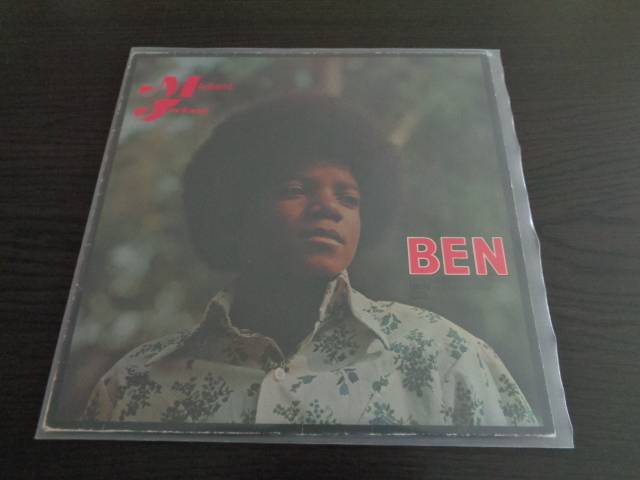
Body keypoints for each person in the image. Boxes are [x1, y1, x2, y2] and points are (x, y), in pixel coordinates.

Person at [84, 95, 539, 427]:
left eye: (349, 198)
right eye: (295, 189)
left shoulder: (445, 356)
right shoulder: (135, 384)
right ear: (235, 211)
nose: (328, 208)